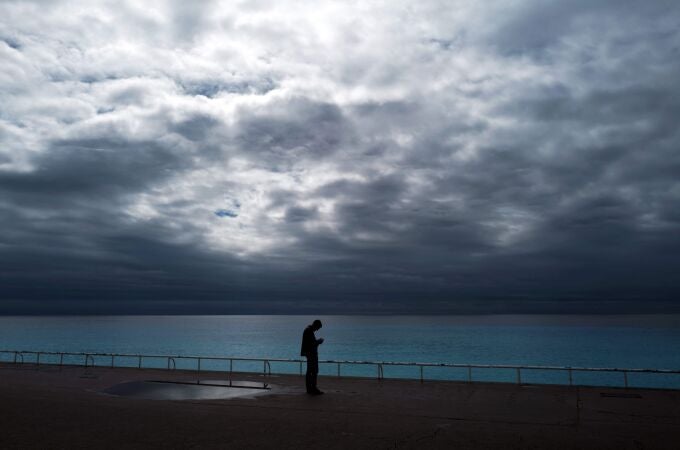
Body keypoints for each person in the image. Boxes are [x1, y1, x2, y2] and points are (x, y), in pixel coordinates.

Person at [300, 319, 324, 395]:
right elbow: (311, 344)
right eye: (318, 328)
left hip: (309, 354)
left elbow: (309, 343)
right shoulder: (309, 331)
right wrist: (319, 341)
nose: (317, 330)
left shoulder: (308, 330)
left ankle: (310, 388)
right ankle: (312, 388)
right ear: (315, 325)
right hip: (311, 354)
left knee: (310, 371)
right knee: (313, 371)